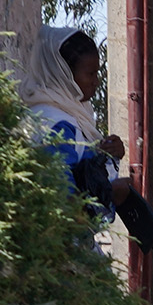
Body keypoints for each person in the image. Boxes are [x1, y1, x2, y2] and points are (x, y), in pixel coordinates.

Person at [23, 24, 133, 227]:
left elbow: (80, 171)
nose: (96, 82)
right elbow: (63, 204)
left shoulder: (63, 114)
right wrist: (111, 193)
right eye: (90, 74)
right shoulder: (56, 125)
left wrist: (106, 157)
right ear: (64, 74)